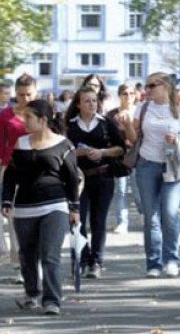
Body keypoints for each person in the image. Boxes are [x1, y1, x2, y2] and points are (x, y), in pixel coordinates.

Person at [1, 99, 80, 315]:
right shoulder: (21, 143)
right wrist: (6, 200)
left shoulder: (64, 145)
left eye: (29, 117)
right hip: (24, 207)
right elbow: (10, 175)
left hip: (55, 205)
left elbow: (72, 178)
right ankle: (31, 294)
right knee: (27, 254)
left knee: (50, 254)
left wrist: (74, 208)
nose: (23, 121)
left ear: (43, 120)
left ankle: (52, 300)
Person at [128, 72, 180, 278]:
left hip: (174, 166)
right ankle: (154, 263)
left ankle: (171, 259)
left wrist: (177, 138)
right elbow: (132, 139)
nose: (147, 89)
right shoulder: (143, 107)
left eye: (152, 85)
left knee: (170, 213)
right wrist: (126, 126)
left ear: (165, 87)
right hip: (147, 164)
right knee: (151, 216)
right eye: (146, 86)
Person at [64, 87, 126, 278]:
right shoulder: (69, 125)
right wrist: (75, 152)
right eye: (87, 101)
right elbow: (59, 151)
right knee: (77, 220)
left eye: (94, 101)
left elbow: (121, 148)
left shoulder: (106, 123)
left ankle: (96, 261)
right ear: (78, 104)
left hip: (103, 176)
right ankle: (81, 258)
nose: (91, 105)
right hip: (77, 179)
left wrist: (102, 153)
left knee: (98, 221)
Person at [0, 74, 38, 281]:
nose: (25, 99)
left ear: (36, 92)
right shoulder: (5, 115)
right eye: (20, 95)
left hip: (39, 168)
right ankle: (19, 264)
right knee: (15, 219)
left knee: (38, 217)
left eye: (29, 94)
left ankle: (37, 261)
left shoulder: (43, 113)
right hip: (13, 169)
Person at [107, 84, 142, 234]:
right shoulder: (111, 115)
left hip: (137, 155)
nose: (128, 96)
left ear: (136, 95)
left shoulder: (140, 112)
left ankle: (143, 212)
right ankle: (122, 222)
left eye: (131, 93)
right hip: (119, 156)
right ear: (119, 95)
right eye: (124, 93)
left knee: (137, 189)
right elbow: (108, 135)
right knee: (121, 190)